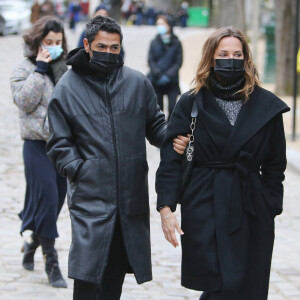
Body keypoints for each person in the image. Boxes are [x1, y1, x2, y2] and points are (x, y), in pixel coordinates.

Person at [45, 15, 188, 299]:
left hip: (130, 201)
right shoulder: (67, 88)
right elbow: (59, 144)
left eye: (114, 48)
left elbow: (156, 125)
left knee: (114, 283)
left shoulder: (137, 82)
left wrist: (174, 139)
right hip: (91, 201)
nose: (109, 53)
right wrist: (82, 170)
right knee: (87, 279)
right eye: (102, 46)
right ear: (87, 44)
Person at [156, 26, 290, 300]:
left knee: (248, 286)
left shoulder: (266, 106)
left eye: (237, 54)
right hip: (205, 202)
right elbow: (170, 159)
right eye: (224, 53)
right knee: (217, 284)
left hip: (251, 204)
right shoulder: (191, 103)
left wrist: (271, 203)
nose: (231, 59)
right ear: (211, 58)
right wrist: (166, 208)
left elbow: (276, 164)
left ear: (246, 59)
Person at [10, 16, 68, 289]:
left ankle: (33, 242)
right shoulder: (24, 68)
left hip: (63, 146)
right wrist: (41, 69)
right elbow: (24, 101)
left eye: (58, 42)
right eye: (48, 42)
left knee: (55, 202)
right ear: (37, 42)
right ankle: (51, 260)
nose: (53, 47)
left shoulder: (66, 70)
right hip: (35, 145)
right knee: (46, 195)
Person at [147, 15, 183, 121]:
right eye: (158, 24)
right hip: (156, 80)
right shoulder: (154, 42)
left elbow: (178, 62)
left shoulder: (176, 43)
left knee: (172, 108)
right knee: (158, 109)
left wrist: (168, 75)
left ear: (169, 25)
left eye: (162, 24)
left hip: (172, 81)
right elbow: (150, 61)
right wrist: (158, 74)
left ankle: (170, 131)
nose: (160, 27)